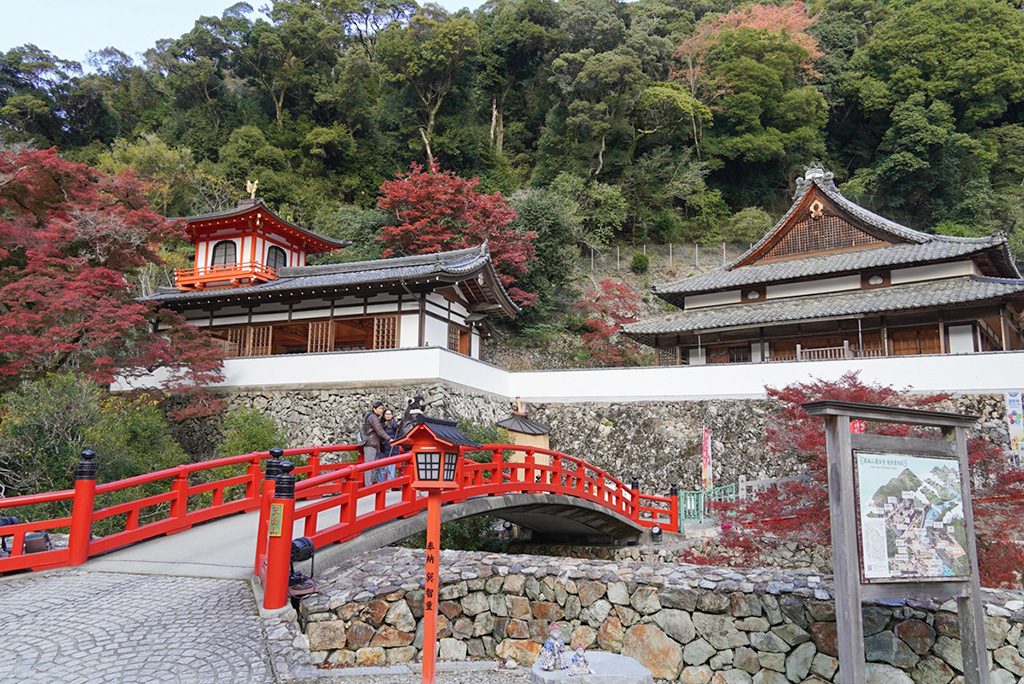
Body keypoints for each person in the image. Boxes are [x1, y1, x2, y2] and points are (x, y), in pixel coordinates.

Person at [362, 401, 390, 487]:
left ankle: (369, 484)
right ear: (374, 409)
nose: (381, 410)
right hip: (371, 442)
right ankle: (368, 485)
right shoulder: (372, 417)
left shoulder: (374, 417)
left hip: (374, 443)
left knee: (372, 465)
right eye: (380, 408)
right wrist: (389, 438)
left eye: (382, 409)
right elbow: (379, 430)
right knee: (369, 465)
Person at [377, 408, 400, 484]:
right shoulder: (380, 424)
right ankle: (380, 483)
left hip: (392, 448)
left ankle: (389, 485)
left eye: (390, 414)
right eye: (386, 414)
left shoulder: (394, 424)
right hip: (383, 448)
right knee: (381, 467)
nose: (388, 416)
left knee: (391, 468)